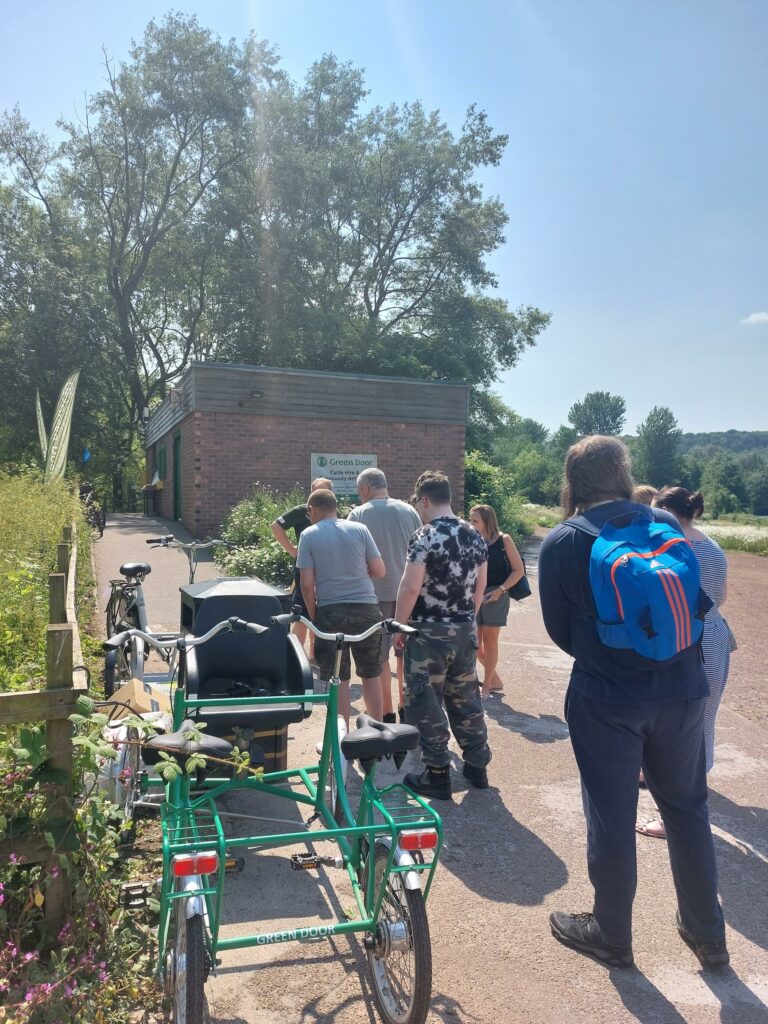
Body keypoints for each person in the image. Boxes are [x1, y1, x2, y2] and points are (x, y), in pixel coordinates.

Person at [538, 435, 727, 969]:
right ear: (623, 475)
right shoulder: (665, 527)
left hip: (607, 697)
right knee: (688, 810)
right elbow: (698, 608)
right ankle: (706, 933)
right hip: (684, 691)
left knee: (612, 812)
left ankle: (611, 933)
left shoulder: (565, 540)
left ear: (573, 482)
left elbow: (559, 631)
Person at [636, 487, 732, 841]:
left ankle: (674, 818)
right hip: (715, 638)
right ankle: (672, 796)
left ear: (663, 510)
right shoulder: (712, 547)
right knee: (701, 723)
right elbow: (719, 597)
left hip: (683, 643)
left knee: (675, 734)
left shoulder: (666, 546)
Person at [394, 470, 491, 799]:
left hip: (428, 630)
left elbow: (410, 587)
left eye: (417, 503)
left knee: (425, 700)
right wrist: (468, 620)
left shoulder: (425, 535)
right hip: (463, 627)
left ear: (424, 499)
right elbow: (480, 587)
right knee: (466, 697)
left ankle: (437, 774)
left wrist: (398, 625)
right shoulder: (475, 536)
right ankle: (477, 765)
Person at [296, 488, 386, 723]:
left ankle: (340, 739)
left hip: (330, 611)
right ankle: (376, 732)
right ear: (335, 507)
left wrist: (315, 616)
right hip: (367, 609)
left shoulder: (308, 535)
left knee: (338, 679)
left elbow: (306, 584)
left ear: (312, 510)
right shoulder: (360, 529)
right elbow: (379, 570)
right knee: (371, 674)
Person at [348, 468, 422, 723]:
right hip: (407, 595)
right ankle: (406, 707)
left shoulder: (358, 514)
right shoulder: (410, 511)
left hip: (372, 597)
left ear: (366, 489)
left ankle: (386, 712)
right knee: (405, 656)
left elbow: (353, 556)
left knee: (377, 660)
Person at [467, 504, 525, 697]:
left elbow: (518, 570)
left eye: (475, 521)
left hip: (496, 594)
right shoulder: (470, 540)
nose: (471, 524)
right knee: (472, 640)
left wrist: (500, 590)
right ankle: (495, 678)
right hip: (474, 594)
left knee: (490, 641)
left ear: (487, 521)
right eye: (470, 520)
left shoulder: (504, 540)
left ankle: (487, 686)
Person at [271, 477, 333, 654]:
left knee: (320, 611)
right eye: (316, 492)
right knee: (302, 613)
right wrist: (291, 550)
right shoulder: (301, 511)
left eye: (324, 492)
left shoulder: (334, 513)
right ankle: (296, 655)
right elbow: (276, 526)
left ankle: (314, 654)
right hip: (305, 568)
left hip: (326, 569)